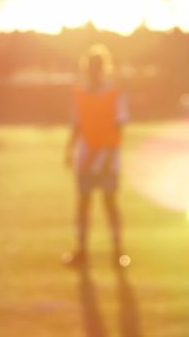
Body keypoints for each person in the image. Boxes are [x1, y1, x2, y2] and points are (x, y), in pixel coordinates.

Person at [63, 45, 130, 268]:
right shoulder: (79, 94)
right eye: (91, 67)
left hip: (109, 157)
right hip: (86, 156)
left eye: (98, 67)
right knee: (83, 204)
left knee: (110, 203)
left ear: (104, 68)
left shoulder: (114, 93)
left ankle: (118, 251)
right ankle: (81, 250)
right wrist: (69, 150)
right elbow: (76, 125)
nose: (94, 71)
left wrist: (110, 155)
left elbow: (119, 125)